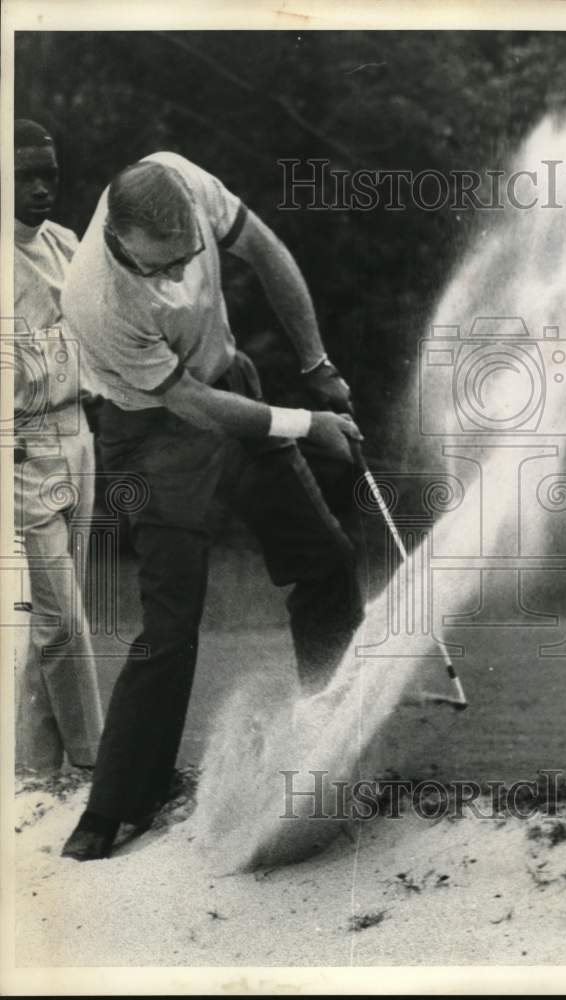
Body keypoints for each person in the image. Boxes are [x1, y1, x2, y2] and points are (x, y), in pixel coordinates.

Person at [59, 151, 365, 861]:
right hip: (152, 430)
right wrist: (307, 424)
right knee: (171, 623)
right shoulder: (94, 300)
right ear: (120, 240)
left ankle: (335, 748)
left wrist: (316, 362)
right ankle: (116, 807)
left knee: (324, 560)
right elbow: (191, 405)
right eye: (159, 268)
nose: (176, 278)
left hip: (231, 381)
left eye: (185, 260)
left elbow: (264, 249)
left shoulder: (180, 178)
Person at [13, 119, 104, 774]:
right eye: (25, 176)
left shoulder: (69, 243)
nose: (42, 188)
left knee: (57, 626)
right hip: (21, 445)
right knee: (60, 621)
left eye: (50, 175)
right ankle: (102, 766)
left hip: (80, 434)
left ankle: (32, 781)